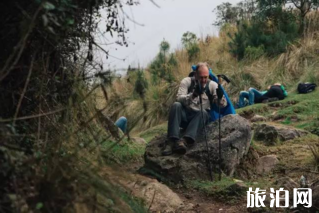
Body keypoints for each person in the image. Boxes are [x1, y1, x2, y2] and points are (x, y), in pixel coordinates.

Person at [162, 62, 227, 156]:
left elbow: (222, 105)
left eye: (206, 77)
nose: (204, 80)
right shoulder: (187, 82)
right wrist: (193, 95)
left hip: (199, 119)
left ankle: (184, 141)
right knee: (176, 105)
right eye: (201, 77)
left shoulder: (212, 85)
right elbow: (179, 98)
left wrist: (220, 97)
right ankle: (172, 140)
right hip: (185, 115)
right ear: (196, 74)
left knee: (204, 113)